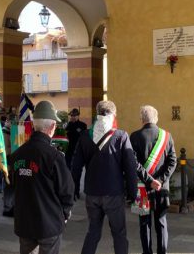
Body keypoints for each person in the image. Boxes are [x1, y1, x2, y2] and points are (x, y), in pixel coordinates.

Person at [71, 100, 138, 254]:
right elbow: (130, 167)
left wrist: (74, 189)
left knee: (93, 232)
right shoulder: (121, 136)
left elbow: (76, 166)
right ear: (113, 115)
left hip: (92, 193)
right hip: (114, 194)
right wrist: (133, 193)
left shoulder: (84, 135)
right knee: (119, 234)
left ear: (97, 113)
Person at [10, 101, 75, 254]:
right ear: (52, 127)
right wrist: (64, 214)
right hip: (49, 223)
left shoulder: (18, 153)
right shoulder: (53, 156)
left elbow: (11, 185)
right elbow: (67, 191)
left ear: (33, 125)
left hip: (24, 222)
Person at [130, 105, 177, 254]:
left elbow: (134, 164)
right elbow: (172, 161)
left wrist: (149, 180)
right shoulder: (167, 136)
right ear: (156, 118)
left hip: (142, 188)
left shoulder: (134, 136)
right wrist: (160, 181)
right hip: (161, 188)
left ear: (141, 119)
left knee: (144, 224)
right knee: (161, 222)